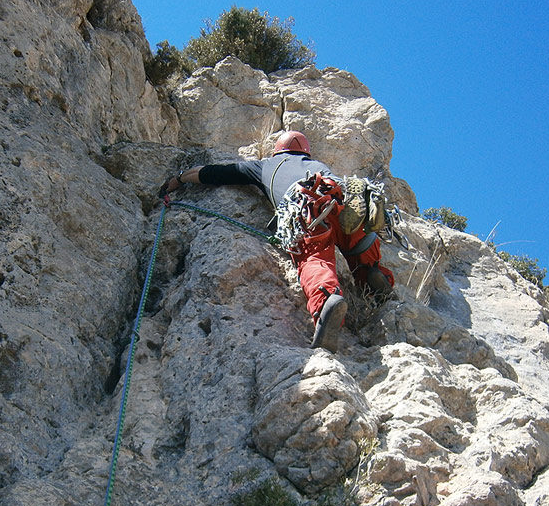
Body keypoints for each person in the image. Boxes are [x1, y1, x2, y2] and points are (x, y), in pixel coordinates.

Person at [162, 131, 394, 351]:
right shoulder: (316, 165)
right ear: (306, 151)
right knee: (359, 240)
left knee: (313, 257)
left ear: (277, 151)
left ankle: (327, 302)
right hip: (334, 192)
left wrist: (180, 178)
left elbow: (214, 172)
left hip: (305, 205)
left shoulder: (264, 166)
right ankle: (372, 272)